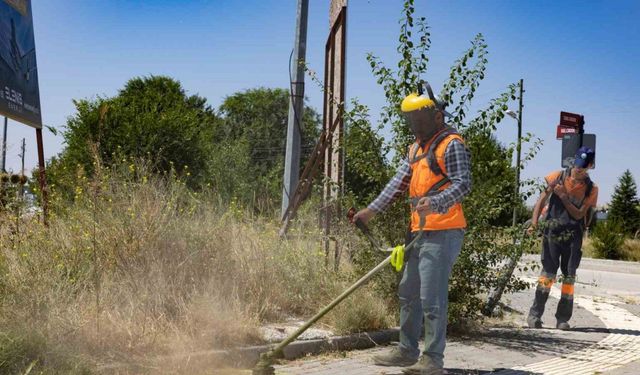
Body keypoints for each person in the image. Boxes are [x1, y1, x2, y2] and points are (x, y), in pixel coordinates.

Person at [352, 83, 471, 375]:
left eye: (418, 118)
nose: (414, 124)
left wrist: (437, 202)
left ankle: (433, 360)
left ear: (437, 117)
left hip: (443, 232)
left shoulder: (450, 144)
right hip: (418, 232)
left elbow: (463, 184)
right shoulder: (417, 148)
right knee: (408, 292)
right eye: (411, 119)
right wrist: (369, 212)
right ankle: (407, 350)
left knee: (432, 297)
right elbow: (397, 184)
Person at [526, 146, 598, 330]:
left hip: (574, 236)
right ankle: (534, 316)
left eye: (583, 166)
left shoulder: (591, 189)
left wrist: (564, 197)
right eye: (577, 163)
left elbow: (579, 214)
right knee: (547, 274)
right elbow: (541, 200)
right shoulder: (556, 177)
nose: (578, 168)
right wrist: (535, 224)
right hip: (552, 232)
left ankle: (562, 319)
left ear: (590, 165)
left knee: (569, 277)